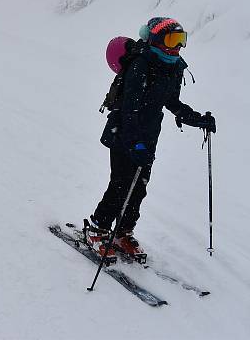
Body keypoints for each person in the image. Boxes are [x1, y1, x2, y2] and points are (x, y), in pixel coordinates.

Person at [86, 17, 216, 260]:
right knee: (120, 184)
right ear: (156, 40)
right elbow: (129, 109)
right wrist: (134, 142)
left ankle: (123, 232)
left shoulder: (175, 66)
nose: (178, 46)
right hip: (125, 131)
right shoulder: (140, 64)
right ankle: (97, 229)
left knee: (139, 187)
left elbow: (171, 101)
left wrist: (196, 119)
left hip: (148, 134)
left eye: (181, 39)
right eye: (172, 39)